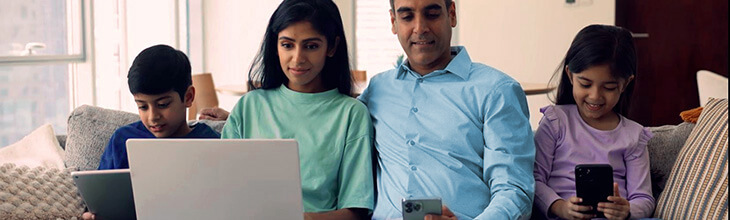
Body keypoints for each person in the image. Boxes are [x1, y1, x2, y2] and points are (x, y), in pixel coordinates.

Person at [358, 0, 536, 219]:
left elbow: (514, 191)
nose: (420, 28)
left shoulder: (496, 91)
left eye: (432, 14)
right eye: (406, 17)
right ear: (393, 22)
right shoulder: (377, 90)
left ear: (451, 14)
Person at [220, 0, 374, 219]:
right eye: (287, 45)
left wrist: (300, 218)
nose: (298, 58)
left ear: (331, 47)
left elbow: (355, 211)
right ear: (275, 46)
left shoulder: (351, 114)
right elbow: (223, 189)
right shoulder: (249, 106)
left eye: (311, 46)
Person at [83, 45, 220, 219]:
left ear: (188, 97)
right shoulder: (123, 140)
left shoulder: (212, 143)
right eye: (142, 106)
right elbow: (100, 201)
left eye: (163, 105)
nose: (153, 117)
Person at [532, 24, 655, 220]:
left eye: (609, 87)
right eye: (585, 84)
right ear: (570, 75)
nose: (595, 96)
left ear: (626, 84)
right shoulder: (556, 122)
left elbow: (644, 198)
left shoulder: (634, 135)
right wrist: (559, 206)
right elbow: (534, 180)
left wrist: (627, 210)